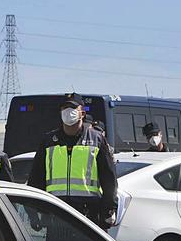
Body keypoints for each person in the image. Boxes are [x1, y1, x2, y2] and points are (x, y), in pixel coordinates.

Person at [27, 93, 117, 229]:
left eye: (73, 107)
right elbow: (35, 179)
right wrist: (33, 213)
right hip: (56, 214)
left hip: (88, 216)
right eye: (64, 108)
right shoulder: (48, 141)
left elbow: (109, 179)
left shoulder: (96, 140)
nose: (68, 112)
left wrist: (109, 210)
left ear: (82, 112)